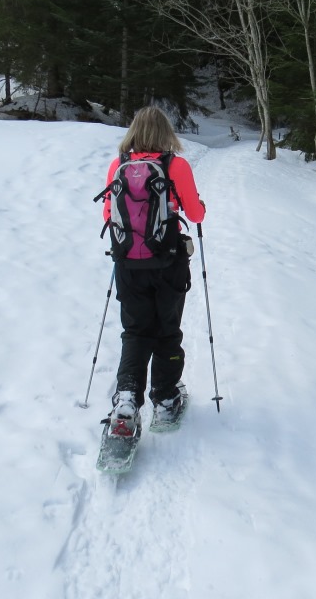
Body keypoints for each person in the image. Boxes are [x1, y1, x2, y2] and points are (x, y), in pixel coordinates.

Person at [101, 106, 206, 436]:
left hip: (128, 265)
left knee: (135, 332)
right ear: (166, 133)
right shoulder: (177, 166)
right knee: (167, 331)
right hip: (168, 262)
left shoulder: (118, 166)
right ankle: (165, 399)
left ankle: (127, 401)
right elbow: (197, 214)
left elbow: (108, 213)